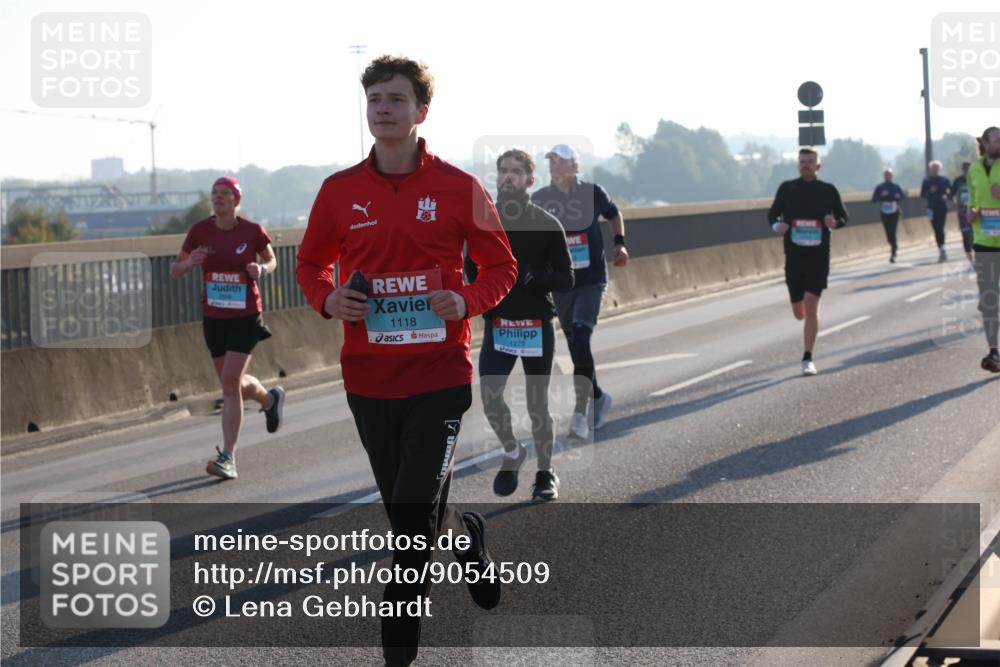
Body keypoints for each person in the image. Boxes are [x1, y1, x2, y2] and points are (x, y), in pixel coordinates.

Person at [295, 56, 517, 666]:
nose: (383, 108)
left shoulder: (458, 188)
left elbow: (501, 266)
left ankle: (397, 656)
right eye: (374, 100)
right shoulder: (339, 192)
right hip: (368, 380)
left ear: (421, 112)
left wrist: (466, 298)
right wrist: (327, 298)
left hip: (441, 377)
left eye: (395, 99)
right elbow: (310, 264)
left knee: (412, 523)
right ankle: (467, 548)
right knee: (409, 520)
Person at [466, 149, 573, 502]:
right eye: (503, 171)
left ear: (530, 180)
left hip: (536, 325)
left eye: (515, 172)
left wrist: (534, 279)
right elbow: (469, 269)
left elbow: (567, 277)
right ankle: (512, 451)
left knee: (537, 404)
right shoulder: (485, 223)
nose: (508, 177)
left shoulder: (546, 223)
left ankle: (545, 474)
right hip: (500, 325)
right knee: (490, 395)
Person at [170, 176, 285, 480]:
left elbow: (272, 260)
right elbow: (175, 270)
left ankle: (228, 457)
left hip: (246, 315)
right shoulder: (199, 232)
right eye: (214, 194)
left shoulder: (252, 231)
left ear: (236, 200)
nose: (218, 198)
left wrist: (260, 269)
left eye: (225, 194)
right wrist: (189, 263)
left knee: (230, 381)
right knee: (230, 381)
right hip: (214, 316)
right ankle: (269, 399)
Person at [531, 144, 628, 441]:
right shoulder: (541, 199)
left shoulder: (593, 193)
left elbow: (614, 214)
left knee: (581, 334)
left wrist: (619, 243)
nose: (555, 169)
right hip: (561, 283)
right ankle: (598, 395)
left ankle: (582, 408)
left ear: (575, 166)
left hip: (591, 279)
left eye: (561, 164)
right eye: (551, 164)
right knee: (575, 345)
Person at [767, 148, 848, 376]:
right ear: (798, 164)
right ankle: (802, 316)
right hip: (794, 256)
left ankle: (807, 357)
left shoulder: (827, 190)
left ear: (818, 166)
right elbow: (772, 214)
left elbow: (843, 216)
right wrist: (776, 226)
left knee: (812, 305)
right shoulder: (787, 189)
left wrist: (834, 222)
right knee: (799, 311)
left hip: (818, 257)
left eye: (810, 162)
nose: (806, 165)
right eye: (802, 161)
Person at [966, 126, 1000, 373]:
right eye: (997, 140)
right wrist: (972, 212)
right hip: (984, 242)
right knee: (989, 301)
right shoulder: (975, 170)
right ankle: (994, 351)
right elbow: (973, 199)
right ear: (985, 143)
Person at [921, 160, 952, 262]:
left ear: (939, 169)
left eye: (936, 168)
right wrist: (930, 191)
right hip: (931, 208)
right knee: (936, 228)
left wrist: (946, 195)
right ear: (930, 169)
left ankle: (942, 248)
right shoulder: (927, 181)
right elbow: (922, 195)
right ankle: (941, 248)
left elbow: (950, 192)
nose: (935, 170)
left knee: (940, 228)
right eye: (933, 168)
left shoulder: (944, 180)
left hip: (942, 207)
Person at [872, 168, 905, 262]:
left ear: (892, 176)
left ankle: (893, 253)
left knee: (892, 231)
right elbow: (874, 199)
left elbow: (902, 196)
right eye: (886, 175)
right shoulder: (880, 187)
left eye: (889, 175)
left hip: (894, 211)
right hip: (884, 211)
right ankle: (893, 245)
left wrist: (898, 197)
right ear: (884, 176)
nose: (888, 176)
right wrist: (881, 195)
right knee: (888, 233)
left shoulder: (896, 186)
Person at [950, 160, 975, 264]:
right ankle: (970, 259)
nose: (966, 170)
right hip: (962, 212)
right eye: (964, 168)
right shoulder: (957, 181)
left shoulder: (976, 178)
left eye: (968, 168)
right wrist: (955, 202)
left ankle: (977, 255)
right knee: (965, 235)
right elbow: (951, 194)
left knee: (974, 234)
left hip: (975, 211)